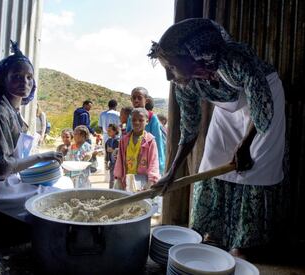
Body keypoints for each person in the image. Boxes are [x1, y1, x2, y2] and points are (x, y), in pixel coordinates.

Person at [149, 18, 286, 257]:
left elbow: (260, 102)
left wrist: (246, 144)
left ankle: (245, 243)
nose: (169, 78)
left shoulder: (234, 59)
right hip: (228, 107)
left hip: (265, 97)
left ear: (194, 54)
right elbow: (189, 129)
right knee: (213, 159)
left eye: (171, 67)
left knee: (256, 166)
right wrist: (172, 172)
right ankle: (215, 232)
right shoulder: (186, 83)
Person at [0, 40, 63, 227]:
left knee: (62, 190)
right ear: (3, 79)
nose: (24, 82)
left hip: (9, 182)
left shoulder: (12, 111)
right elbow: (2, 167)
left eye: (29, 77)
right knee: (56, 203)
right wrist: (44, 156)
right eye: (16, 76)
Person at [114, 108, 160, 191]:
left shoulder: (150, 141)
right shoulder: (124, 140)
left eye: (141, 120)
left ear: (147, 121)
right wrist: (119, 178)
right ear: (130, 121)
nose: (137, 122)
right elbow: (119, 160)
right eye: (134, 120)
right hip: (127, 179)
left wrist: (151, 181)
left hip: (143, 182)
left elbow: (153, 162)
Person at [126, 87, 166, 175]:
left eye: (139, 98)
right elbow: (127, 138)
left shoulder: (152, 118)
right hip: (133, 160)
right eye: (134, 98)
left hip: (149, 160)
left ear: (146, 100)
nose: (136, 100)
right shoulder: (130, 117)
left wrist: (159, 166)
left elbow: (158, 143)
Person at [104, 123, 120, 188]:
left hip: (118, 163)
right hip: (112, 163)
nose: (108, 132)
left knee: (118, 179)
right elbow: (107, 153)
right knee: (112, 179)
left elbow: (121, 152)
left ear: (115, 131)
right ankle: (111, 192)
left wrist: (113, 150)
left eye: (110, 131)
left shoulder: (119, 141)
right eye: (107, 131)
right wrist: (106, 162)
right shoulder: (108, 141)